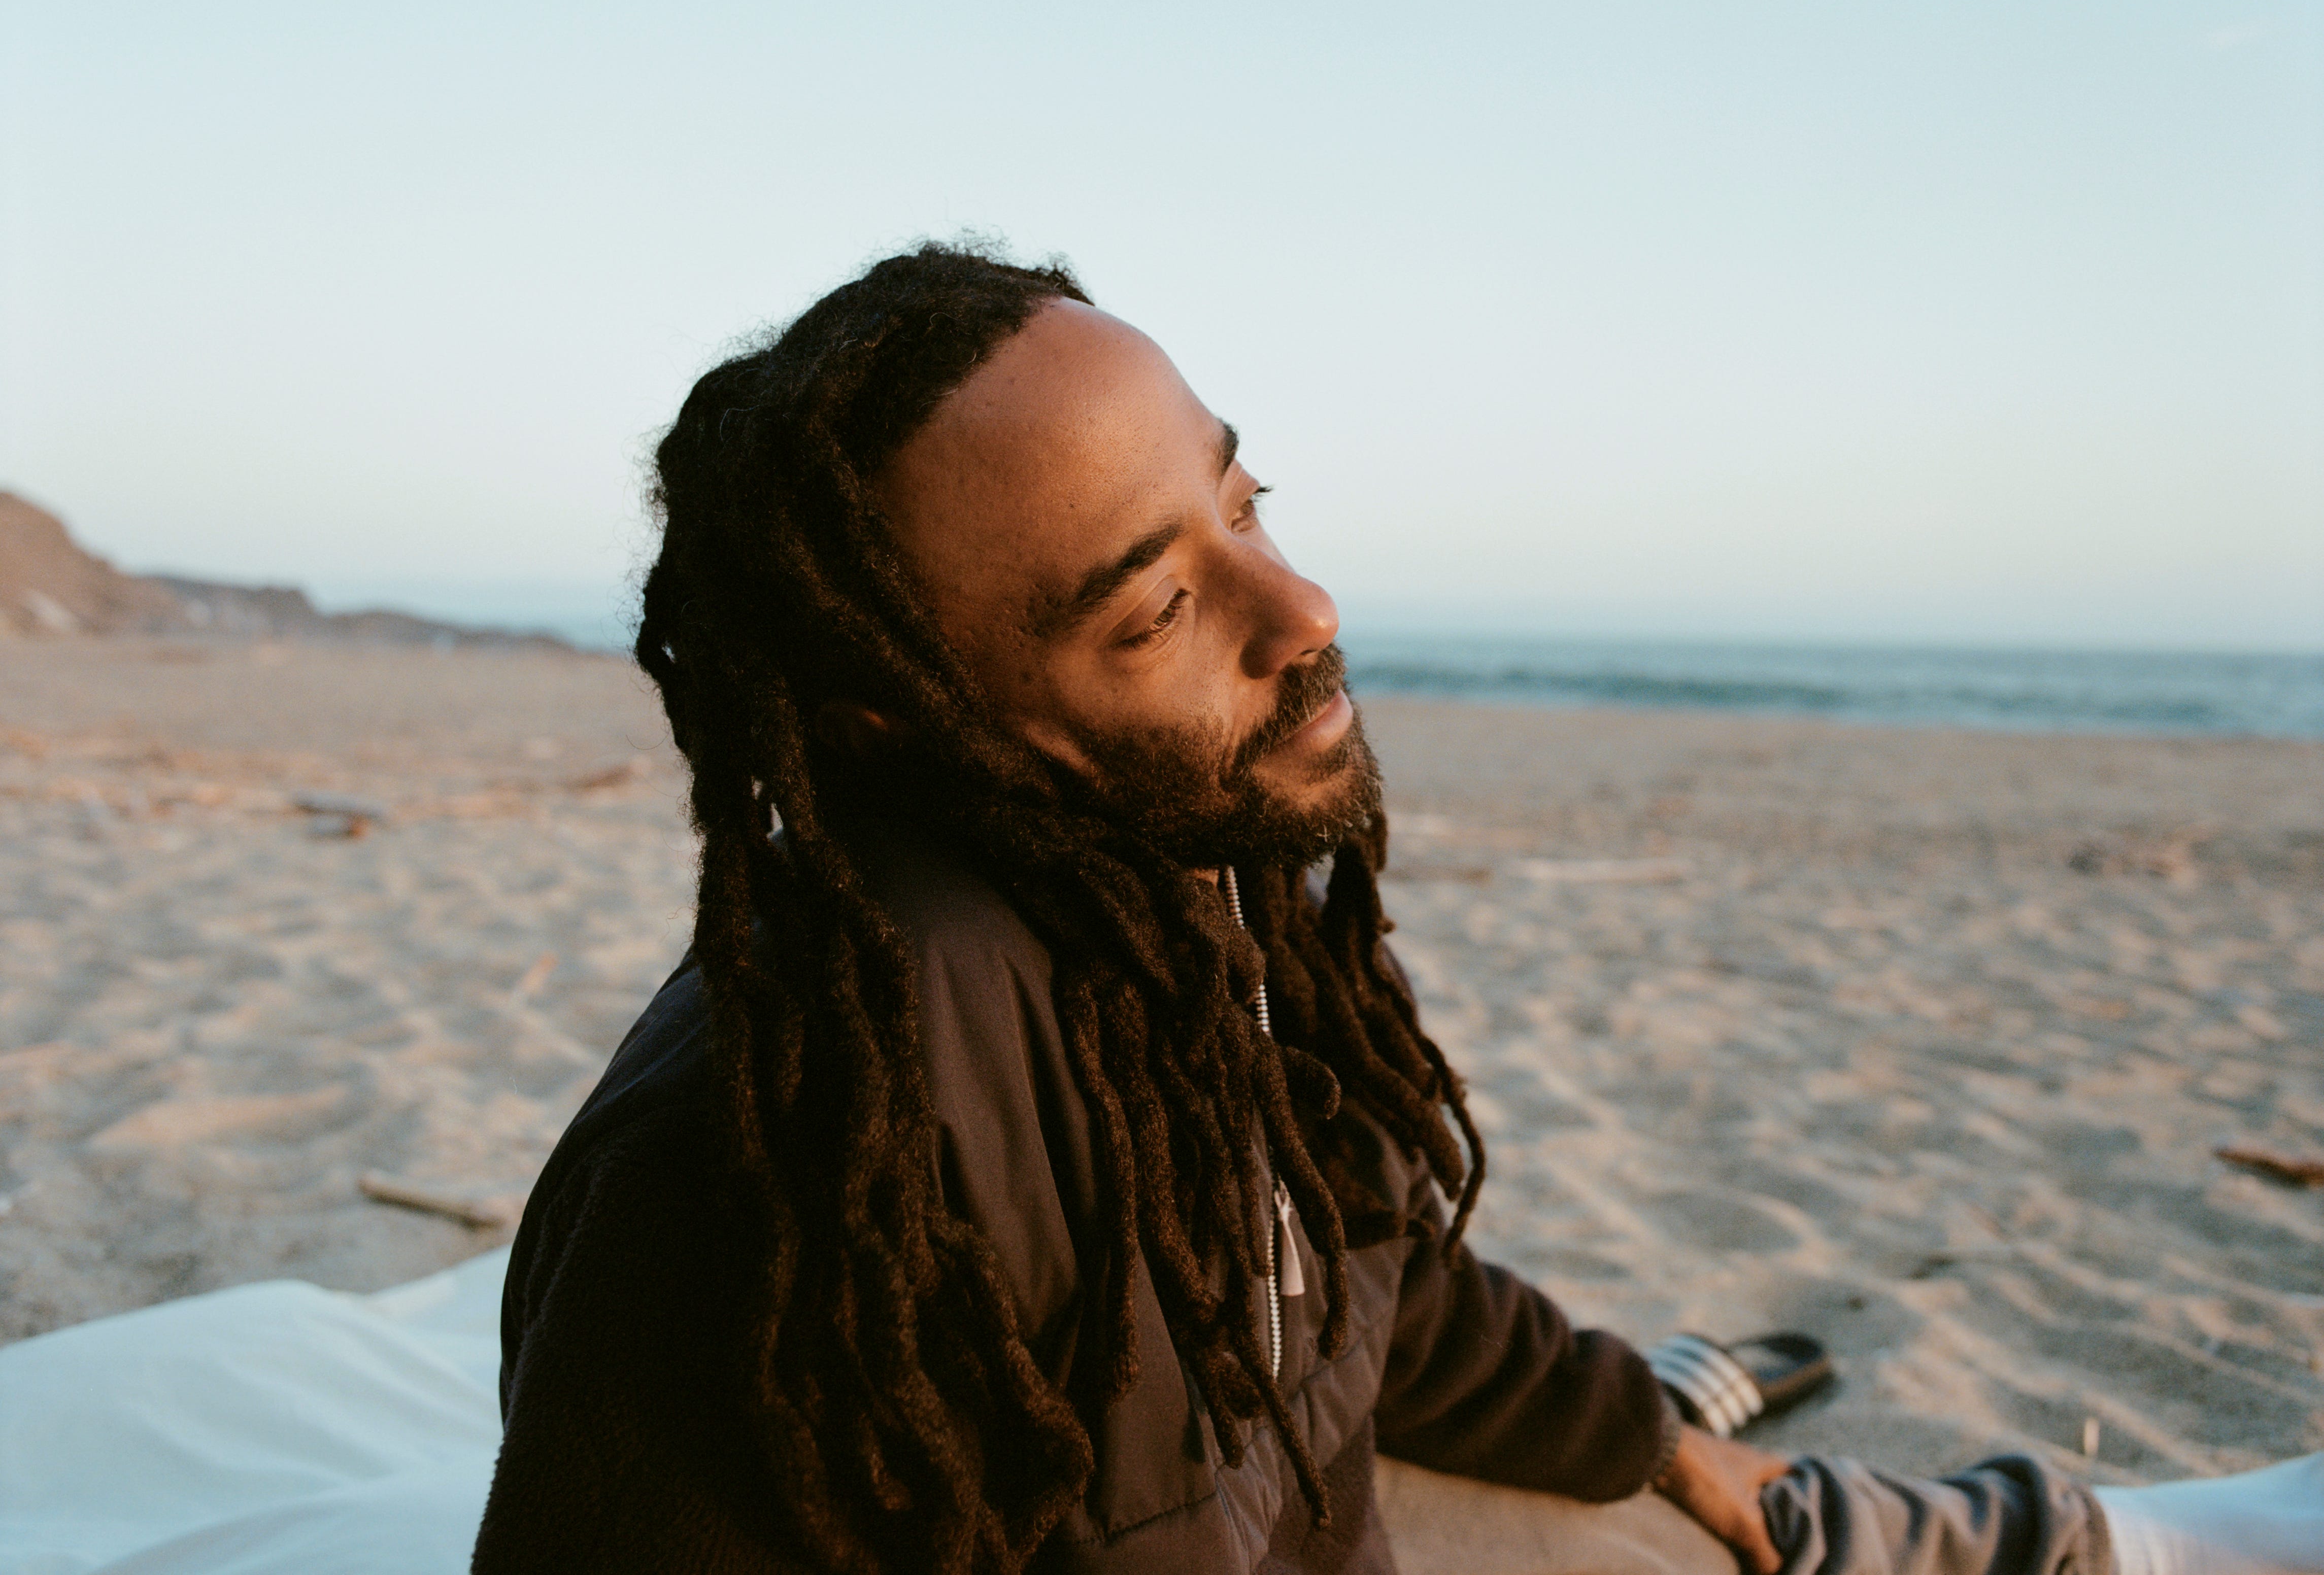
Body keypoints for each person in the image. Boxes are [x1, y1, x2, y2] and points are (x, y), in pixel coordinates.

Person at [469, 246, 2302, 1575]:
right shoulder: (797, 1159)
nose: (1303, 606)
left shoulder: (1174, 882)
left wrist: (1642, 1434)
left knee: (1712, 1507)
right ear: (911, 719)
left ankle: (2004, 1521)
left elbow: (1361, 1279)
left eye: (1244, 500)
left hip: (1340, 1517)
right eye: (1157, 609)